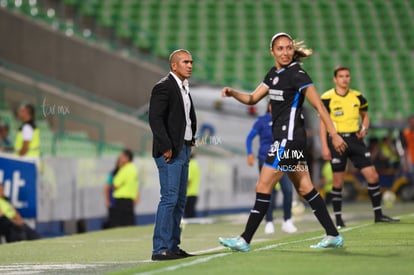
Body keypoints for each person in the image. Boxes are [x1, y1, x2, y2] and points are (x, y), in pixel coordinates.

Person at [218, 32, 347, 252]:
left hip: (289, 141)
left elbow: (319, 107)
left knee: (263, 185)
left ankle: (244, 239)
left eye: (288, 48)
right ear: (272, 52)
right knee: (305, 188)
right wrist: (233, 93)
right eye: (280, 48)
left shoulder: (298, 74)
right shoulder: (273, 74)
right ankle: (333, 234)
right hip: (289, 141)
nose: (285, 52)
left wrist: (333, 134)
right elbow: (252, 98)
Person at [320, 66, 399, 228]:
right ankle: (339, 219)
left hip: (355, 140)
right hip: (337, 140)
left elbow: (365, 115)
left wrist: (364, 127)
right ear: (335, 79)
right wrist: (325, 147)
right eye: (341, 76)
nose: (344, 79)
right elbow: (323, 122)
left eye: (347, 76)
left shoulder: (358, 97)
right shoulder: (327, 98)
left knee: (373, 176)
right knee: (338, 182)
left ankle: (378, 214)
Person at [149, 49, 197, 260]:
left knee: (179, 201)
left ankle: (173, 246)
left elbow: (186, 118)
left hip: (184, 149)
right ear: (174, 66)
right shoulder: (163, 87)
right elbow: (155, 119)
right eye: (185, 62)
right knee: (169, 199)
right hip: (170, 151)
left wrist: (191, 139)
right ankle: (160, 248)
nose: (190, 65)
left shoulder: (184, 88)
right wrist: (166, 146)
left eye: (191, 62)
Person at [245, 103, 297, 234]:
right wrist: (249, 153)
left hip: (282, 159)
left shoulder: (285, 120)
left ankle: (287, 221)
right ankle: (269, 222)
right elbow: (249, 138)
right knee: (268, 191)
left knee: (288, 190)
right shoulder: (262, 121)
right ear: (269, 106)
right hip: (265, 160)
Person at [110, 149, 139, 227]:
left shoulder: (124, 169)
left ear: (127, 158)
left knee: (120, 224)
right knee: (129, 223)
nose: (120, 158)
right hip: (130, 200)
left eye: (122, 156)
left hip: (121, 200)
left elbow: (115, 185)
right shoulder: (133, 168)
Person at [102, 157, 120, 229]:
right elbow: (107, 188)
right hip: (113, 202)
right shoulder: (113, 174)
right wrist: (107, 200)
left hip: (122, 202)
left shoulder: (126, 173)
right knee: (113, 222)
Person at [184, 152, 201, 219]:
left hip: (188, 193)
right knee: (191, 214)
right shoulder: (196, 164)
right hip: (194, 193)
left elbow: (188, 180)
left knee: (189, 215)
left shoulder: (190, 164)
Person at [402, 115, 414, 180]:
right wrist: (405, 164)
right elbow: (405, 149)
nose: (412, 123)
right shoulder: (405, 133)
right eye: (411, 122)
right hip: (410, 160)